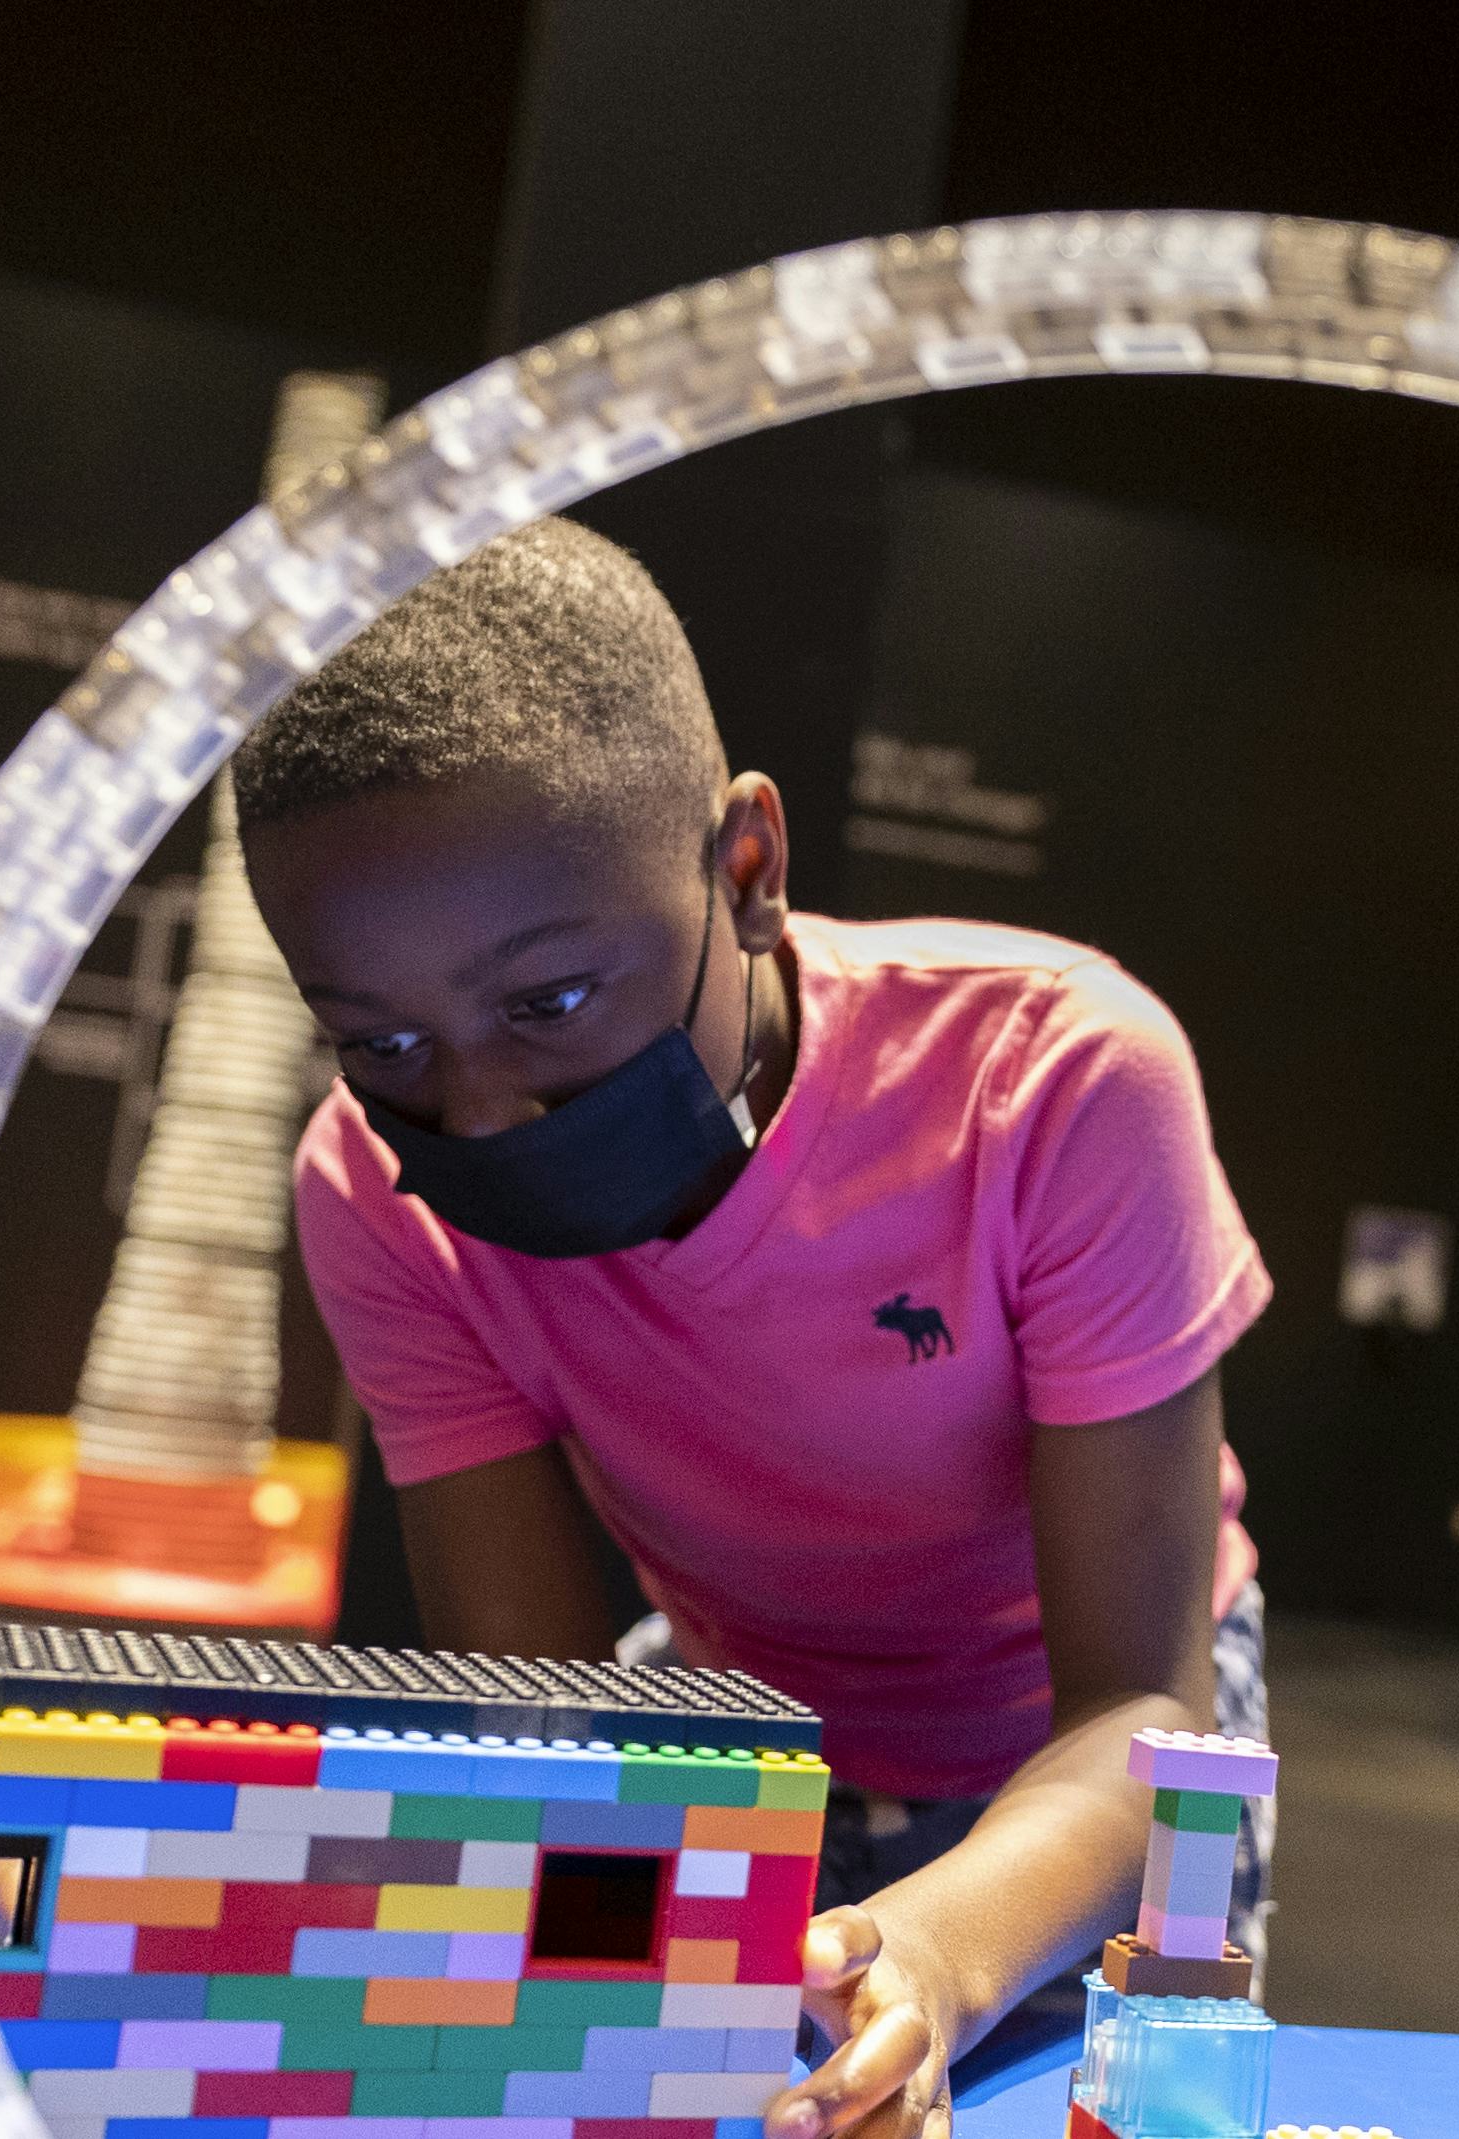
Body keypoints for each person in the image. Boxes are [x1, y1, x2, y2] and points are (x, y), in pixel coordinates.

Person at [231, 518, 1274, 2139]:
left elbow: (1145, 1704)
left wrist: (930, 1952)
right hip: (724, 1719)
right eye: (381, 1042)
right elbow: (545, 1712)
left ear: (745, 870)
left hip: (1095, 1772)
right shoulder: (374, 1191)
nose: (478, 1109)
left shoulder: (1058, 1078)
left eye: (546, 1000)